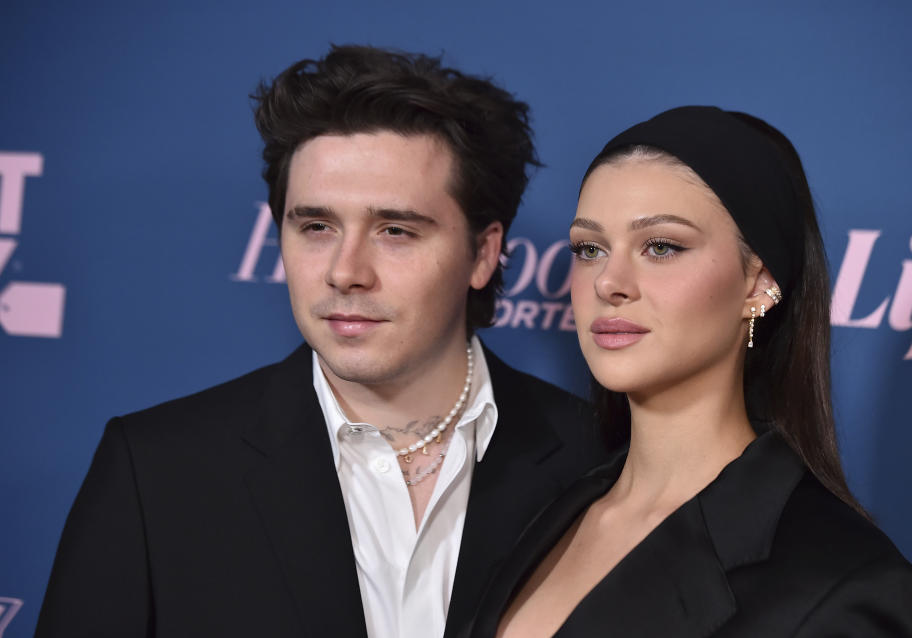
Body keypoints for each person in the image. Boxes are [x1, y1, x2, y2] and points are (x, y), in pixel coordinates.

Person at [35, 46, 610, 638]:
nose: (345, 271)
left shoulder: (605, 462)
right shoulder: (156, 471)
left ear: (483, 253)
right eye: (316, 226)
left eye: (395, 230)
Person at [466, 106, 912, 637]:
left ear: (759, 284)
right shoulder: (545, 509)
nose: (609, 282)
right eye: (589, 248)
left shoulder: (842, 582)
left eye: (661, 246)